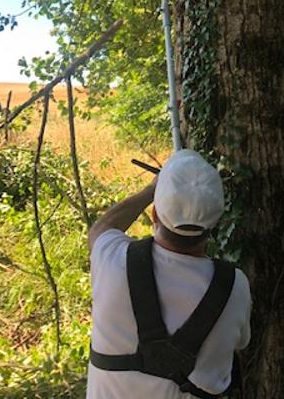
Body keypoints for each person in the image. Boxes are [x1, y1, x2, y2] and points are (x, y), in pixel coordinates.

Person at [86, 148, 251, 399]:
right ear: (214, 224)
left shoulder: (113, 260)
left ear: (154, 213)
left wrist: (151, 189)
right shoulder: (234, 287)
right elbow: (241, 343)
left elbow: (103, 227)